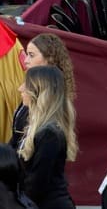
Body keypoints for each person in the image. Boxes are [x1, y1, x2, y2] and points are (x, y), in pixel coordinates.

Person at [18, 66, 78, 209]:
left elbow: (37, 183)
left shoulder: (49, 134)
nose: (20, 88)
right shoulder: (39, 127)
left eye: (26, 84)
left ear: (38, 91)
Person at [10, 34, 75, 151]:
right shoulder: (32, 88)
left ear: (49, 59)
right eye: (27, 54)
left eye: (31, 55)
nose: (25, 61)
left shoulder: (54, 101)